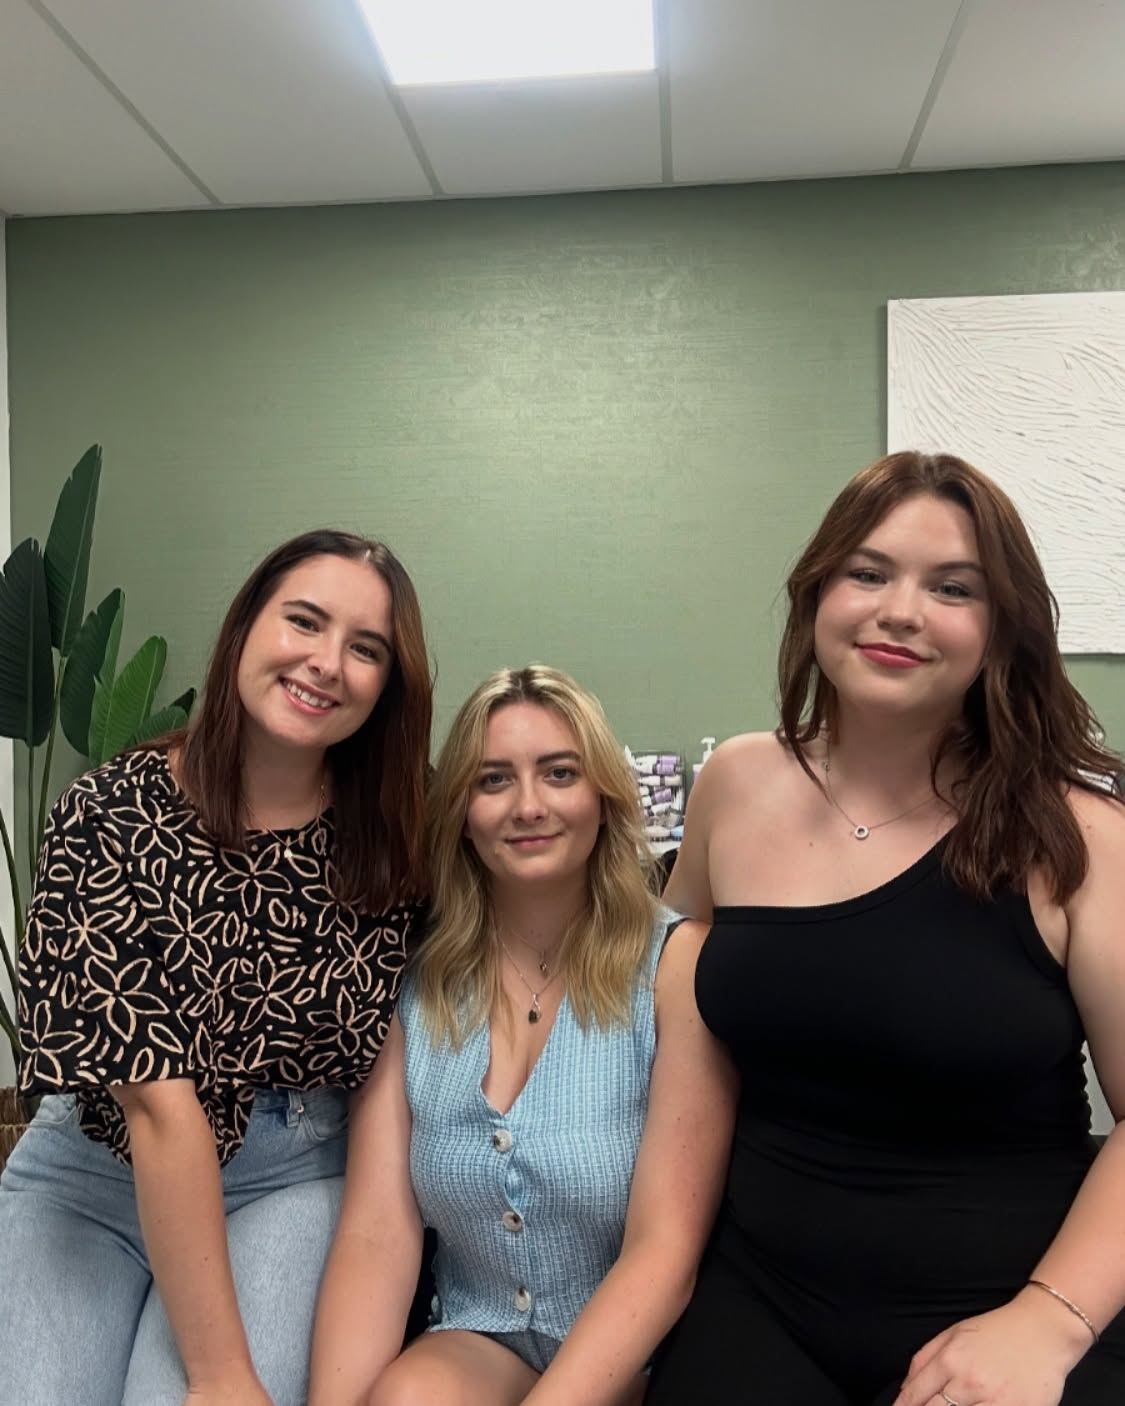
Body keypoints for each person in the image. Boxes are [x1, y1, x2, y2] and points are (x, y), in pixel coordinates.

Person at [646, 451, 1125, 1406]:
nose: (899, 610)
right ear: (815, 593)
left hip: (1010, 1311)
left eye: (952, 588)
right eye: (866, 573)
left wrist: (1046, 1323)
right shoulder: (735, 785)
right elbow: (684, 977)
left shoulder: (1079, 835)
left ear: (1001, 631)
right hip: (761, 1304)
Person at [0, 529, 433, 1406]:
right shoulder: (110, 809)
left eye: (365, 649)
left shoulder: (397, 831)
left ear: (387, 685)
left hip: (285, 1178)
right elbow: (158, 1105)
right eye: (303, 622)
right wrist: (221, 1375)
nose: (325, 664)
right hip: (93, 1170)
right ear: (244, 628)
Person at [309, 664, 737, 1406]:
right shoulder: (416, 984)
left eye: (559, 774)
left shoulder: (676, 967)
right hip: (480, 1338)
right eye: (493, 780)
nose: (528, 806)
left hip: (649, 1355)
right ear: (462, 814)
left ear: (603, 798)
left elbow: (665, 1254)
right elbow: (377, 1232)